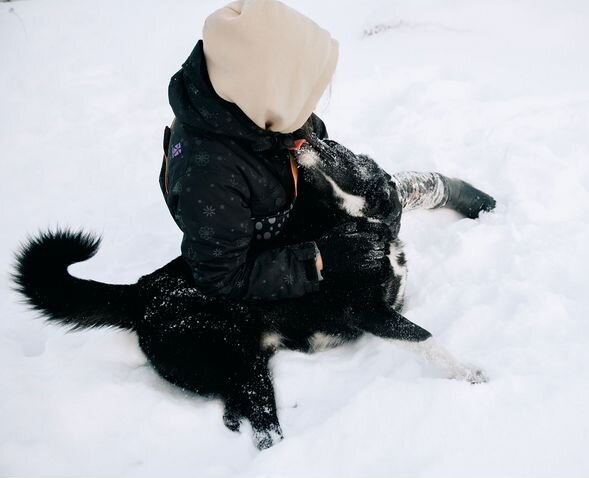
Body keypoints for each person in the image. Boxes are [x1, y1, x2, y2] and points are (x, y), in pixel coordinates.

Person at [159, 0, 494, 302]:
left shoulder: (249, 98)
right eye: (303, 93)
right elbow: (221, 278)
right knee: (359, 256)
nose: (312, 104)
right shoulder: (208, 177)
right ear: (270, 89)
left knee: (369, 192)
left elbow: (309, 133)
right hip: (259, 237)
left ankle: (419, 189)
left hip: (280, 189)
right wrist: (319, 259)